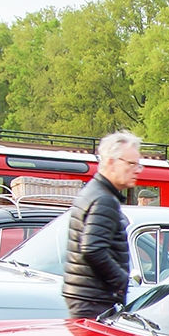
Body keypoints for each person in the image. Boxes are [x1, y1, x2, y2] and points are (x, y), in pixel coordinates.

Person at [62, 131, 141, 319]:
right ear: (111, 162)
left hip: (84, 295)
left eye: (138, 164)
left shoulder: (93, 192)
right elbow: (92, 249)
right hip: (93, 299)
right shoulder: (104, 200)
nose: (137, 170)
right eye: (131, 164)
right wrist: (120, 281)